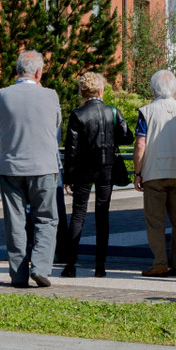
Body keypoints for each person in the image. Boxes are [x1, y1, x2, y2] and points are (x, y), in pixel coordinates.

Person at [0, 50, 62, 288]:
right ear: (39, 72)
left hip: (11, 166)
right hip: (43, 166)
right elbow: (56, 124)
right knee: (46, 219)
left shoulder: (0, 95)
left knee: (15, 221)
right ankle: (41, 267)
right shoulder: (51, 95)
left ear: (17, 70)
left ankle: (18, 274)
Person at [59, 71, 131, 278]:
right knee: (103, 213)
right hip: (107, 165)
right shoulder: (113, 112)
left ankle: (70, 264)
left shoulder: (77, 114)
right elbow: (127, 137)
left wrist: (68, 177)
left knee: (78, 214)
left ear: (83, 91)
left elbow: (70, 149)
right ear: (100, 91)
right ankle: (100, 265)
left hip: (83, 167)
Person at [134, 69, 176, 277]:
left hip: (155, 171)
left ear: (154, 88)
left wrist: (137, 172)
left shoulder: (147, 111)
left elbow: (141, 144)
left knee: (155, 220)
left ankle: (159, 262)